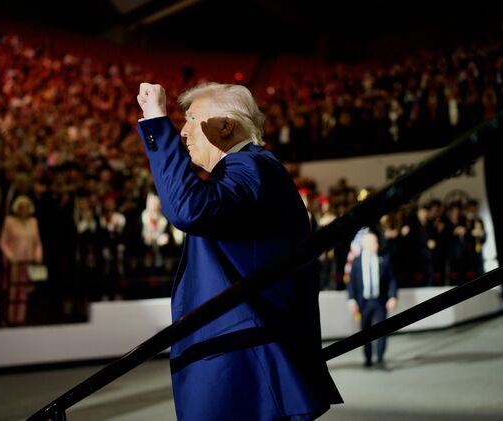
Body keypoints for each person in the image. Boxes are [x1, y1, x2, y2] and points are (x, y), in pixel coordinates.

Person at [136, 82, 341, 420]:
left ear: (226, 126)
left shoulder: (250, 166)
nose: (183, 132)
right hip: (245, 362)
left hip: (244, 368)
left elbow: (188, 208)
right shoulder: (251, 170)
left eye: (190, 119)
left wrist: (158, 121)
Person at [347, 231, 398, 368]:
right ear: (365, 244)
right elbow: (351, 283)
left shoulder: (384, 259)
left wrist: (393, 296)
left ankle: (380, 357)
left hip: (380, 301)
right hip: (364, 302)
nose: (376, 245)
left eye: (376, 242)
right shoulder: (356, 262)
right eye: (373, 242)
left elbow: (392, 279)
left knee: (382, 329)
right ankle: (368, 357)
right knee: (365, 331)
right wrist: (351, 300)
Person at [0, 195, 43, 326]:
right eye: (21, 207)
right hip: (13, 262)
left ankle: (20, 319)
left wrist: (37, 257)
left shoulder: (33, 222)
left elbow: (37, 243)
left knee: (23, 292)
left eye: (26, 207)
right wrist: (10, 256)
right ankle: (8, 318)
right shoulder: (9, 221)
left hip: (27, 262)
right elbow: (3, 242)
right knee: (11, 291)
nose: (23, 209)